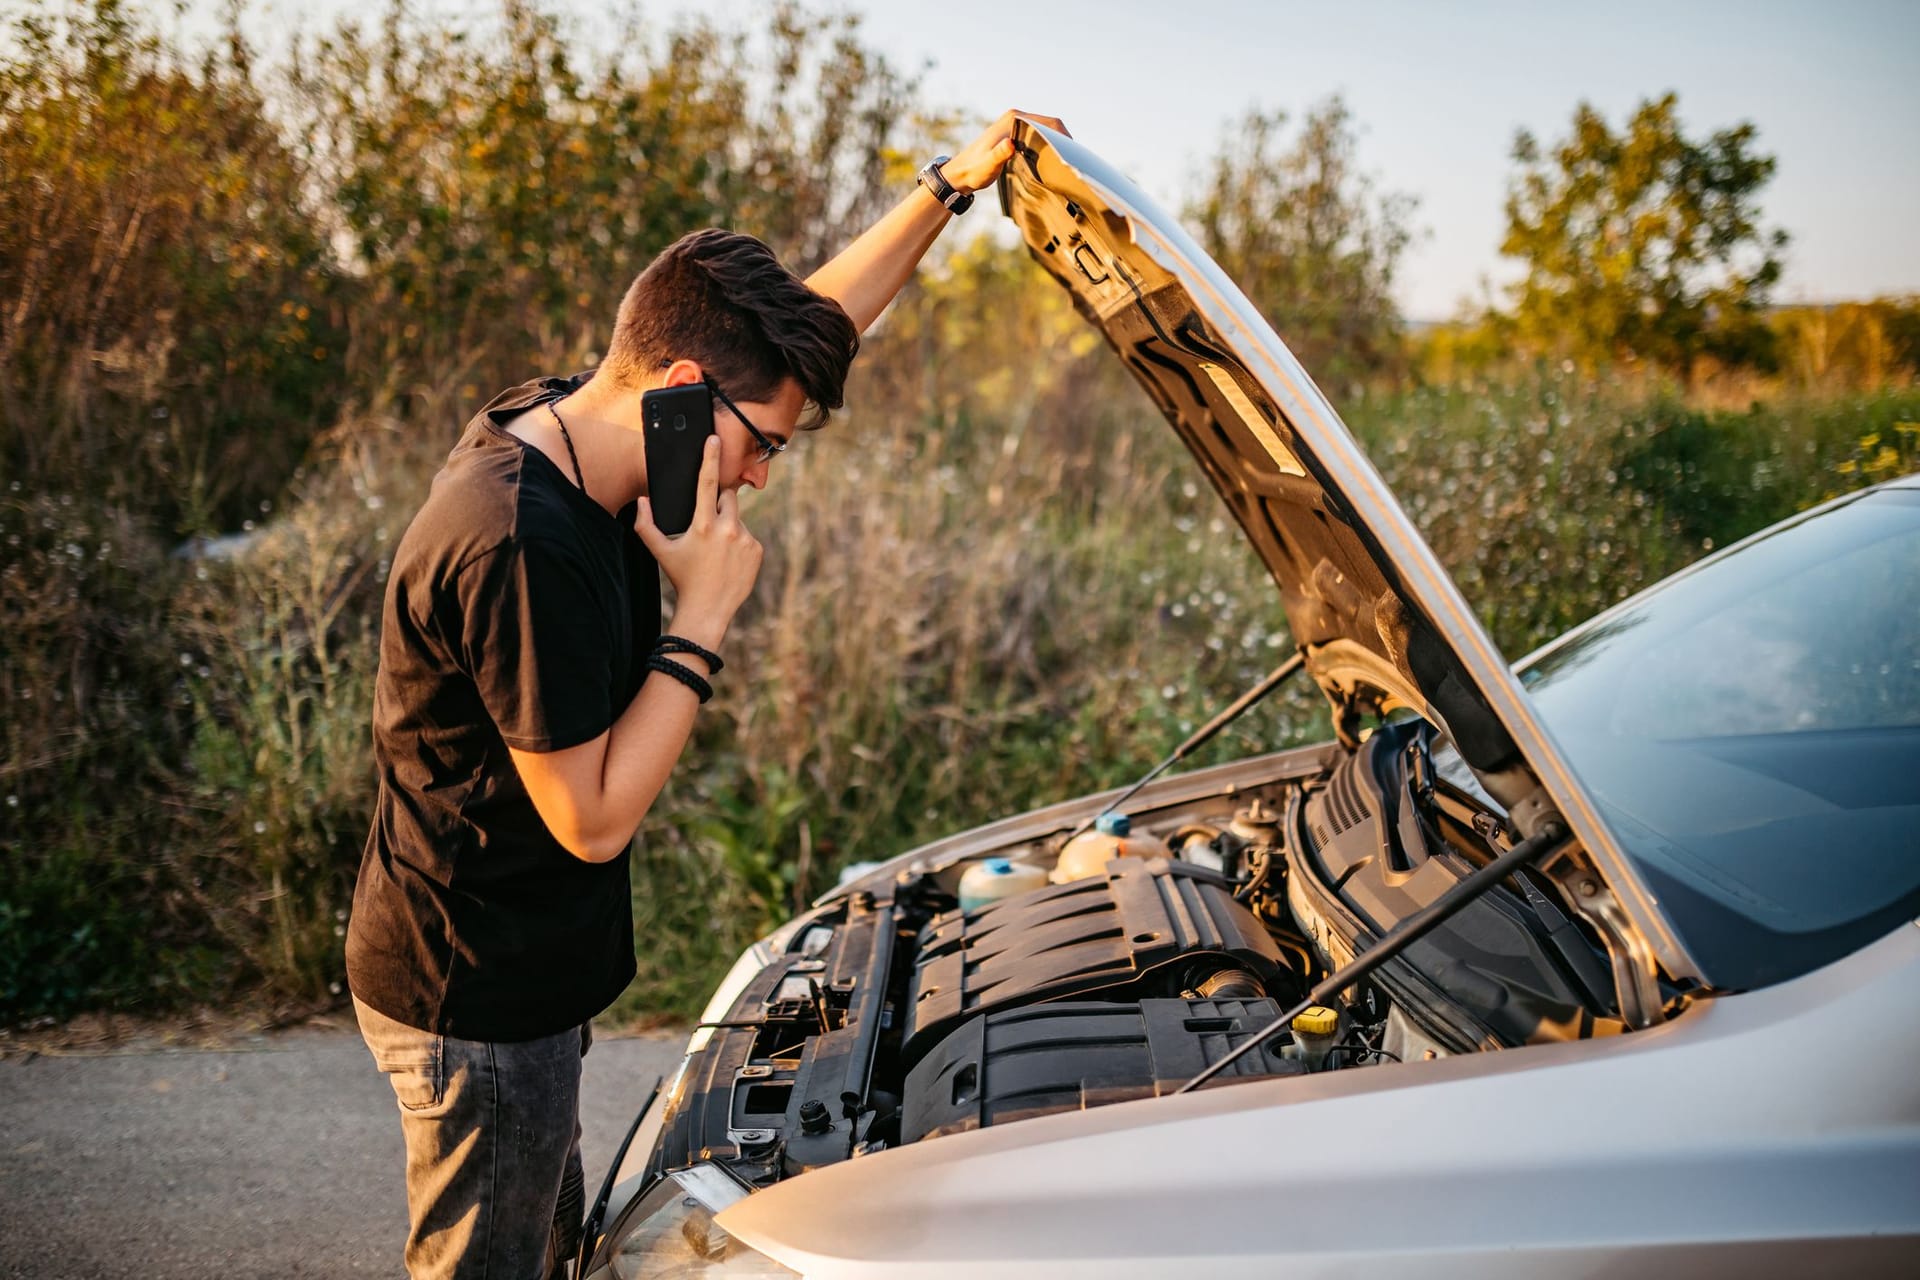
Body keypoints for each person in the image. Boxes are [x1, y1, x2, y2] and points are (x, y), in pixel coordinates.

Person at [344, 110, 1066, 1279]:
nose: (765, 472)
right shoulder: (520, 542)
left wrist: (948, 190)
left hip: (522, 963)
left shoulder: (594, 423)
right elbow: (591, 816)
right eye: (764, 441)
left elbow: (807, 331)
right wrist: (706, 613)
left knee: (544, 1246)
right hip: (477, 992)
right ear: (682, 389)